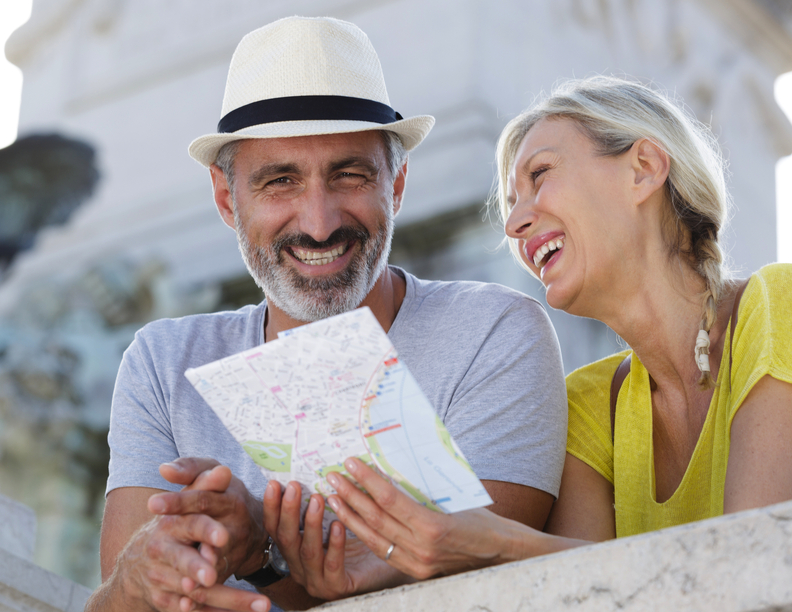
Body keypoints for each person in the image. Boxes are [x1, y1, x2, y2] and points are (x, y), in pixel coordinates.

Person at [86, 16, 568, 612]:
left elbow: (488, 588)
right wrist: (138, 580)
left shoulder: (492, 333)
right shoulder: (163, 364)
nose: (318, 222)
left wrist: (260, 551)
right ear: (224, 198)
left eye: (349, 175)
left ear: (396, 186)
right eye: (279, 182)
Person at [295, 75, 792, 582]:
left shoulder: (778, 303)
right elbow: (580, 596)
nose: (513, 225)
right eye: (511, 203)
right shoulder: (591, 404)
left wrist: (493, 542)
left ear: (643, 169)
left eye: (541, 174)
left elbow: (750, 564)